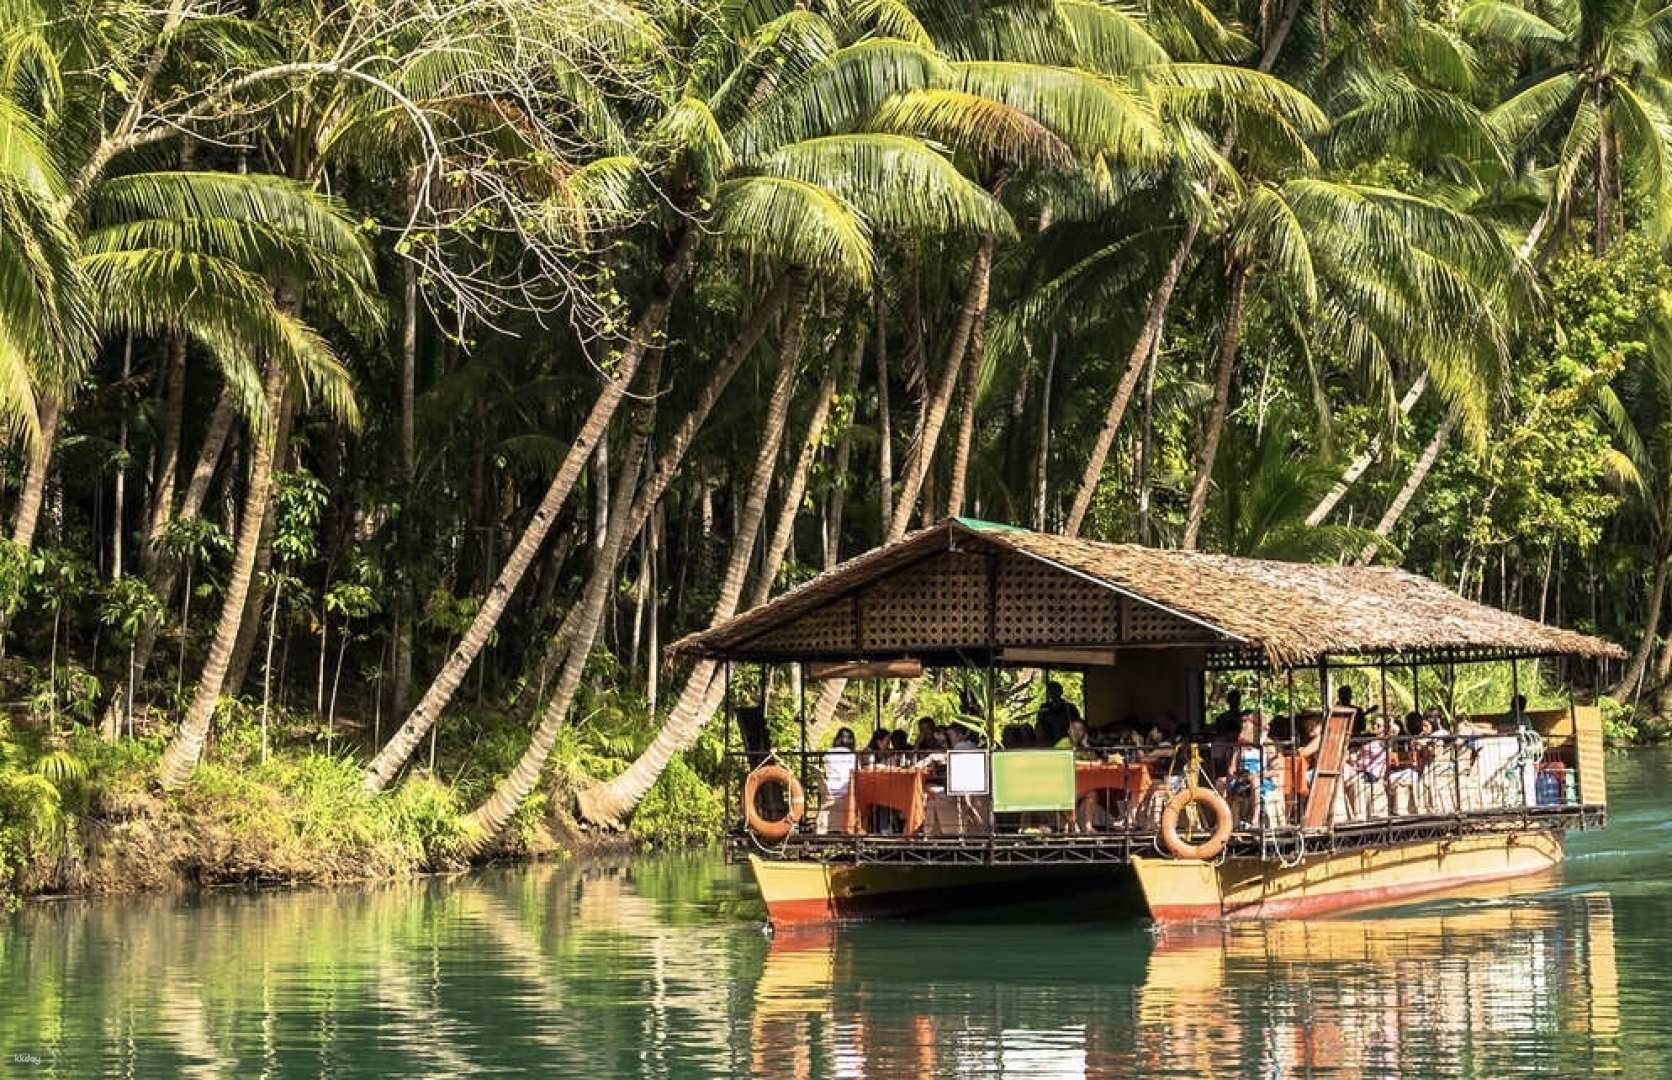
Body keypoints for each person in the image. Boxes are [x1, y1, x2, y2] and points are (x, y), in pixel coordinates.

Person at [819, 728, 857, 834]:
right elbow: (856, 773)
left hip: (829, 791)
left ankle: (826, 827)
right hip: (846, 792)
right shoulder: (852, 756)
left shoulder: (828, 754)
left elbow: (826, 771)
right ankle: (852, 826)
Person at [1037, 680, 1080, 746]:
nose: (1052, 693)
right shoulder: (1044, 707)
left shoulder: (1070, 707)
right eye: (1050, 691)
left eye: (1055, 690)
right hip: (1049, 742)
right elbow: (1039, 724)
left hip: (1066, 742)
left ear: (1060, 691)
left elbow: (1077, 725)